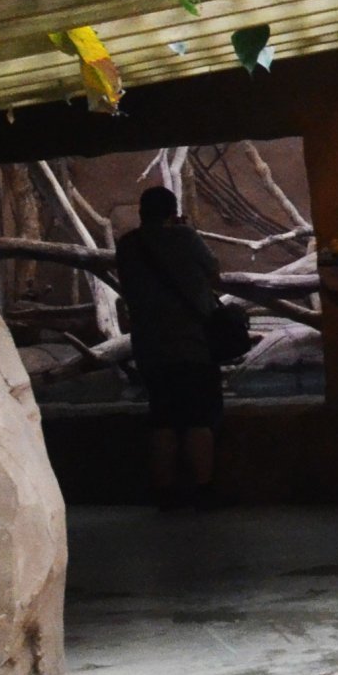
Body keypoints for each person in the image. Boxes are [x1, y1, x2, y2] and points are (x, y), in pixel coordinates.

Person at [115, 185, 229, 507]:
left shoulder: (128, 245)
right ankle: (204, 490)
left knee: (162, 418)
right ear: (172, 212)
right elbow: (214, 272)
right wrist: (182, 232)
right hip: (191, 344)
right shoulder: (186, 238)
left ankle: (164, 493)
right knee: (198, 419)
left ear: (141, 212)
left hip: (150, 347)